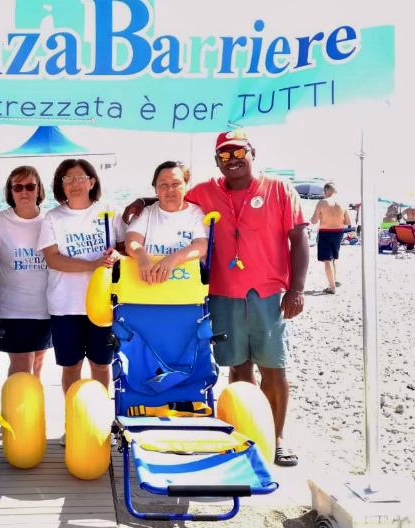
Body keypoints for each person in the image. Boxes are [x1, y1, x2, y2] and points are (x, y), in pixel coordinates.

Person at [122, 129, 309, 467]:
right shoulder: (206, 192)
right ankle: (247, 433)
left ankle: (277, 437)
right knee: (238, 368)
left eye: (238, 153)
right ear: (216, 161)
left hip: (269, 292)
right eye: (224, 155)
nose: (232, 160)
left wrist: (297, 289)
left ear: (252, 153)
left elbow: (299, 238)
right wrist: (142, 202)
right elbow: (172, 198)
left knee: (274, 367)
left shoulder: (280, 189)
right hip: (223, 292)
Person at [37, 159, 121, 442]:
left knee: (101, 364)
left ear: (92, 182)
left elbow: (124, 248)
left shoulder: (108, 213)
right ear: (60, 185)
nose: (74, 183)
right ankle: (72, 422)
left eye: (79, 177)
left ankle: (99, 423)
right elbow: (53, 259)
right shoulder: (53, 218)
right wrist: (94, 264)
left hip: (101, 306)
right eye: (67, 179)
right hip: (64, 304)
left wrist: (114, 258)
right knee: (70, 365)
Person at [0, 166, 51, 377]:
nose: (24, 192)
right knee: (21, 364)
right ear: (10, 192)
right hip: (11, 309)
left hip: (46, 307)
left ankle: (35, 409)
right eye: (18, 187)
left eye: (30, 186)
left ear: (39, 190)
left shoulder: (50, 220)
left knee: (38, 362)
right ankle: (17, 410)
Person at [125, 161, 208, 283]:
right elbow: (131, 241)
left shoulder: (197, 213)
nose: (170, 189)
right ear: (155, 188)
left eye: (176, 184)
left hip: (186, 289)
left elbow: (201, 246)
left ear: (186, 185)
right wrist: (141, 255)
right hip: (147, 287)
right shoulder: (144, 212)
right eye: (163, 185)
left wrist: (173, 259)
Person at [310, 182, 352, 294]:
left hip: (325, 232)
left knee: (327, 259)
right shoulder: (343, 203)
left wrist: (321, 217)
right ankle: (334, 279)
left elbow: (313, 221)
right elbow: (348, 222)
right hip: (338, 233)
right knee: (333, 257)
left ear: (326, 191)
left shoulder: (322, 202)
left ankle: (332, 287)